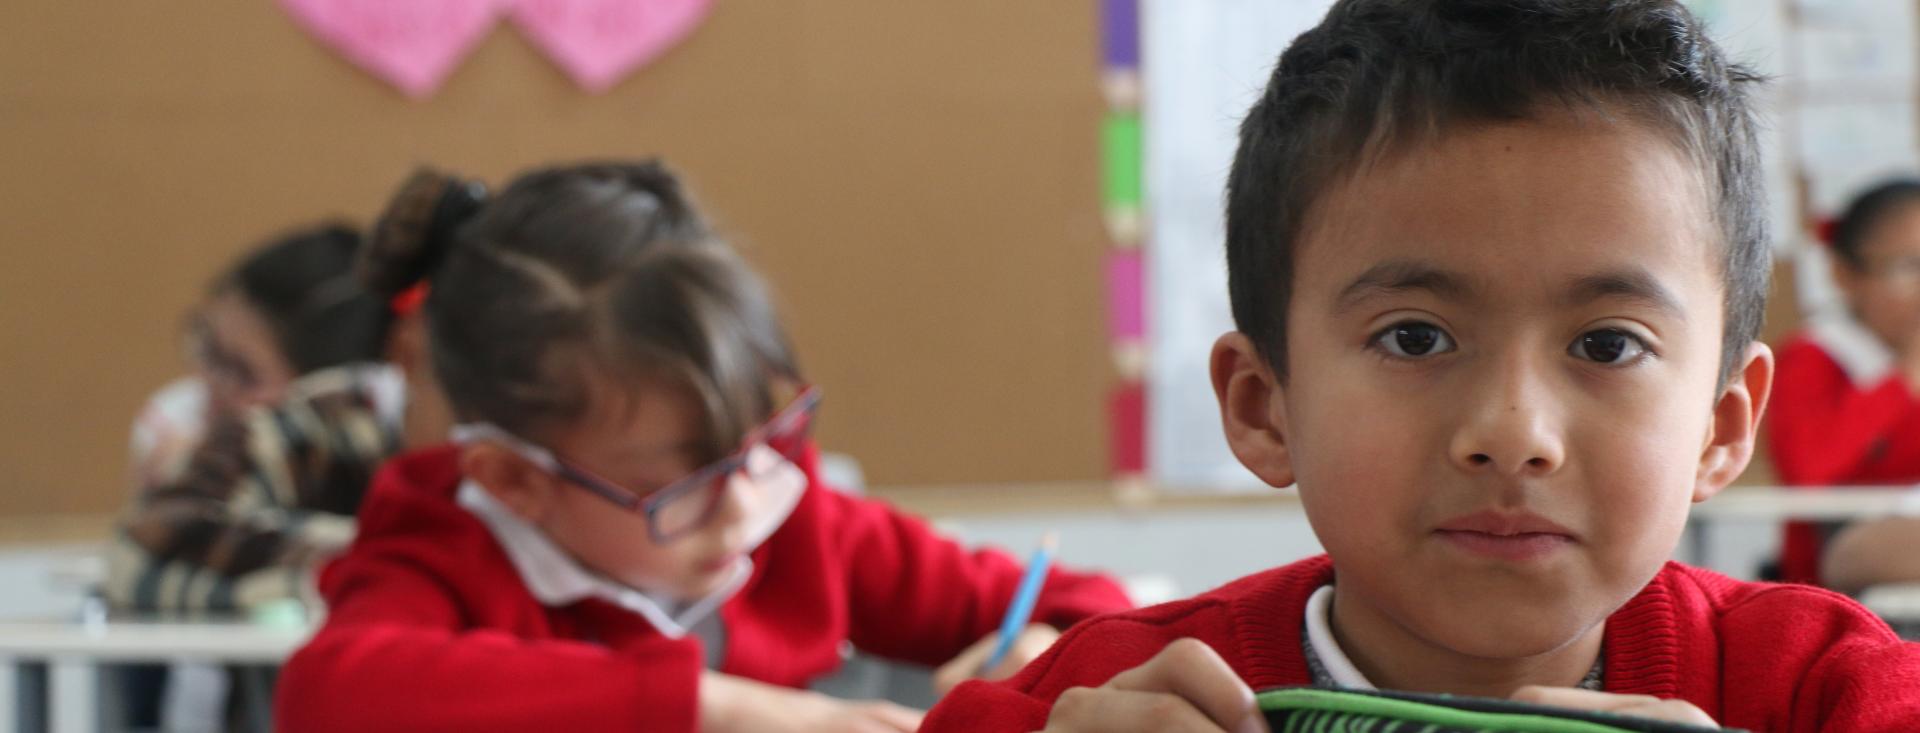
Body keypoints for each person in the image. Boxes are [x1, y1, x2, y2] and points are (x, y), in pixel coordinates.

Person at [922, 2, 1920, 731]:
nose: (1513, 433)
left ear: (1723, 423)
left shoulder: (1828, 690)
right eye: (1415, 337)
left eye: (1608, 344)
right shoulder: (1107, 701)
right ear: (1264, 405)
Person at [273, 161, 1134, 732]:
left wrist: (1045, 650)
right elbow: (332, 693)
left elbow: (1094, 605)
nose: (744, 504)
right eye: (678, 481)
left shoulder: (792, 519)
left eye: (767, 438)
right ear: (515, 480)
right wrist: (728, 709)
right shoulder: (440, 552)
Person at [128, 223, 390, 489]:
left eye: (242, 372)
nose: (208, 383)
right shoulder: (180, 418)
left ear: (328, 395)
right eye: (207, 345)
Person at [1767, 179, 1920, 585]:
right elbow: (1809, 474)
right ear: (1844, 274)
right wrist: (1904, 375)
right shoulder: (1815, 356)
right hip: (1835, 578)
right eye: (1911, 267)